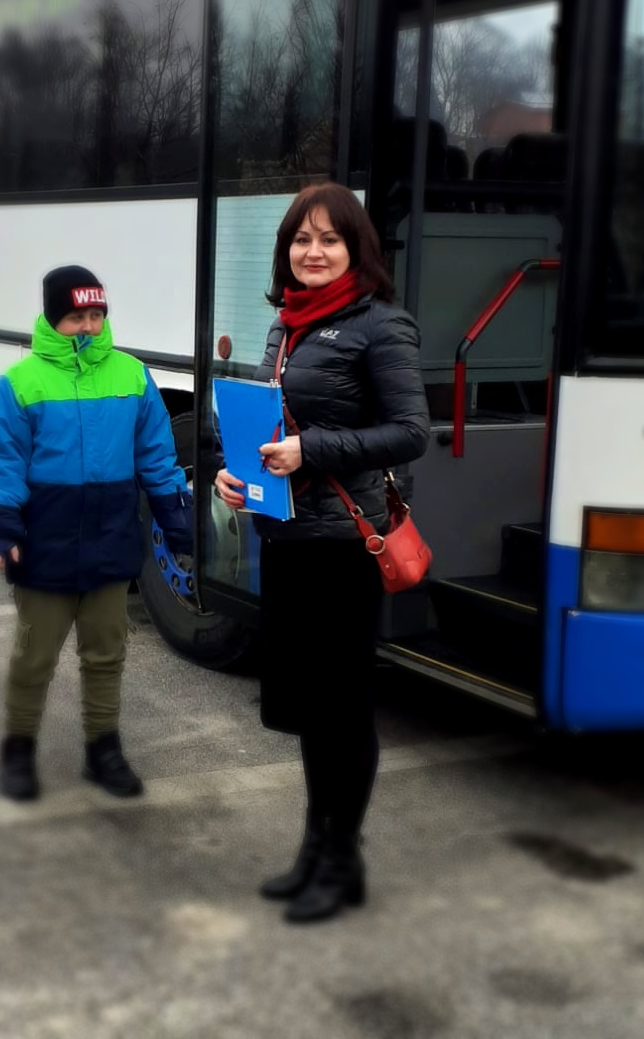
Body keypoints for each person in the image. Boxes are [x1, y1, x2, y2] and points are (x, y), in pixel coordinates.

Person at [216, 183, 430, 924]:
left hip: (343, 548)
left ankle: (342, 862)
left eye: (329, 239)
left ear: (354, 248)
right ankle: (316, 848)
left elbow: (411, 432)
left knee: (342, 710)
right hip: (288, 540)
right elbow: (267, 426)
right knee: (311, 710)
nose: (313, 252)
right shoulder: (287, 325)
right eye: (301, 240)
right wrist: (237, 476)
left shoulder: (381, 324)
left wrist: (312, 449)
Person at [0, 265, 193, 801]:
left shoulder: (132, 375)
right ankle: (18, 750)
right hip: (44, 545)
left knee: (105, 655)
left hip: (110, 541)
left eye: (96, 315)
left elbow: (157, 456)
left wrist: (176, 519)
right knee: (35, 658)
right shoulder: (20, 383)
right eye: (76, 317)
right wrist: (2, 527)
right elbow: (3, 463)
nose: (89, 327)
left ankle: (104, 750)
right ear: (53, 318)